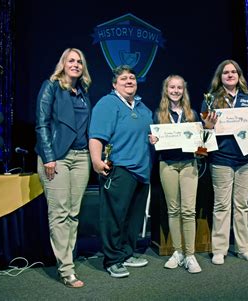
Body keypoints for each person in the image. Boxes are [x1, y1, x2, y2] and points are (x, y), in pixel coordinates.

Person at [35, 48, 92, 288]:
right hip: (56, 157)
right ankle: (66, 269)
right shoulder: (51, 87)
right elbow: (42, 123)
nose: (76, 64)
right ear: (63, 64)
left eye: (79, 61)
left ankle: (67, 260)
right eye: (71, 60)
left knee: (73, 213)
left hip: (81, 158)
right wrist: (48, 156)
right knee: (59, 213)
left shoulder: (83, 92)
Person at [89, 65, 153, 277]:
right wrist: (97, 161)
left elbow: (150, 136)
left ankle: (126, 253)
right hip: (119, 169)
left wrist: (155, 138)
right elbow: (97, 136)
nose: (129, 81)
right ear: (114, 84)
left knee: (132, 218)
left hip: (141, 171)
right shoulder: (108, 104)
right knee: (114, 217)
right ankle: (112, 260)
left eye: (132, 78)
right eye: (124, 78)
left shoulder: (144, 109)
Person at [201, 59, 248, 265]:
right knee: (221, 205)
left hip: (246, 159)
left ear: (239, 76)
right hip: (221, 158)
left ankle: (244, 248)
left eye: (233, 72)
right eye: (225, 72)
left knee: (242, 205)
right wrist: (208, 126)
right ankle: (219, 249)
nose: (229, 75)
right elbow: (205, 133)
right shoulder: (210, 99)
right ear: (220, 77)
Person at [151, 75, 202, 273]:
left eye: (179, 87)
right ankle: (177, 252)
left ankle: (190, 255)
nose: (175, 90)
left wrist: (203, 143)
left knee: (189, 211)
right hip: (167, 165)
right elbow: (154, 140)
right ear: (166, 89)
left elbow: (201, 143)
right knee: (173, 210)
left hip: (189, 163)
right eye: (172, 87)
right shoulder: (158, 114)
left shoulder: (192, 113)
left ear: (184, 90)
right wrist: (152, 140)